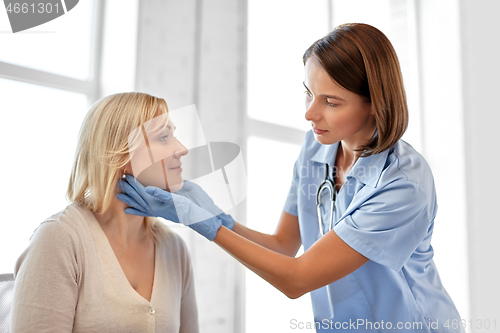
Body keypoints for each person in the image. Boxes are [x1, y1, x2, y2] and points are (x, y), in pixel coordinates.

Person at [117, 23, 464, 332]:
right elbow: (283, 245)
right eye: (309, 94)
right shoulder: (316, 150)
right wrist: (220, 218)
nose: (310, 113)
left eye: (330, 101)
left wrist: (206, 226)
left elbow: (297, 278)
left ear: (374, 102)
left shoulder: (404, 184)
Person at [11, 92, 199, 333]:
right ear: (121, 154)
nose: (182, 149)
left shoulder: (174, 249)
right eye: (163, 137)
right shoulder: (59, 239)